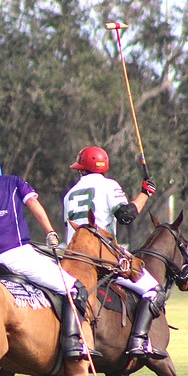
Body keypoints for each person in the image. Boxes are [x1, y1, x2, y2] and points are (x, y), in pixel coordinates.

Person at [0, 154, 99, 360]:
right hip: (19, 255)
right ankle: (74, 343)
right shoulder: (13, 182)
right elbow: (34, 205)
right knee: (75, 287)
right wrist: (50, 232)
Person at [63, 146, 166, 359]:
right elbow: (126, 215)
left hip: (72, 259)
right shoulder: (109, 186)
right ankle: (139, 341)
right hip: (103, 257)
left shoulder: (69, 193)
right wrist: (145, 193)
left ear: (81, 170)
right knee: (154, 291)